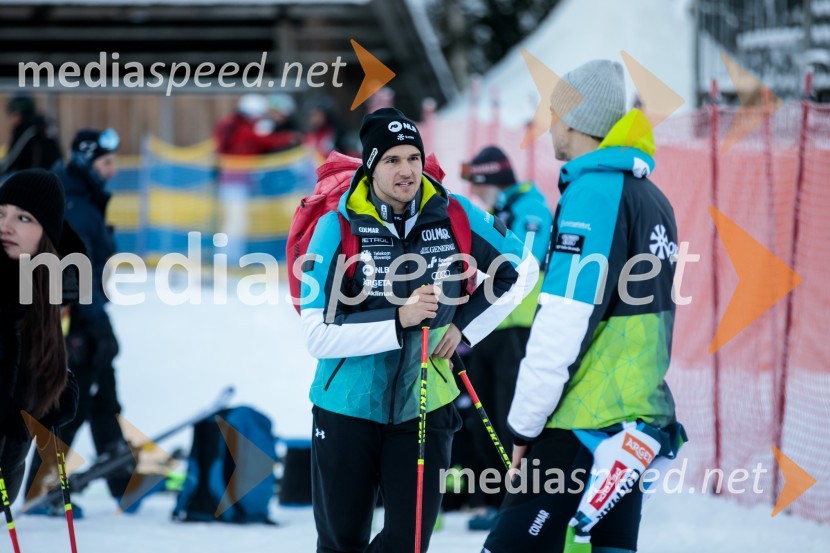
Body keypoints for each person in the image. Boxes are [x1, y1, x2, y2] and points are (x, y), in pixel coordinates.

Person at [299, 108, 538, 552]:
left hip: (427, 403)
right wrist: (397, 320)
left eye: (413, 157)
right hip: (347, 405)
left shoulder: (454, 214)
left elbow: (522, 269)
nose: (406, 170)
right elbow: (316, 334)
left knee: (409, 542)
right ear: (371, 166)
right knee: (341, 541)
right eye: (391, 160)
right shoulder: (338, 227)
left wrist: (464, 330)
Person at [483, 60, 686, 553]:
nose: (549, 123)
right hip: (634, 423)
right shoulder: (653, 197)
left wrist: (523, 425)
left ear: (573, 120)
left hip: (585, 420)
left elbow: (563, 320)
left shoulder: (594, 193)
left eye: (553, 113)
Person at [25, 128, 134, 513]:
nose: (113, 170)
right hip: (73, 322)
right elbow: (74, 274)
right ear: (87, 162)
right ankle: (41, 490)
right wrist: (95, 325)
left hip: (85, 316)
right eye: (107, 163)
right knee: (71, 403)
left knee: (104, 396)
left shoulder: (82, 197)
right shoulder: (75, 205)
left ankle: (126, 482)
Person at [459, 145, 552, 529]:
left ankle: (514, 503)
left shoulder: (530, 209)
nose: (476, 195)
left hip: (517, 329)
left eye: (479, 187)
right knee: (484, 417)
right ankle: (494, 499)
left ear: (494, 181)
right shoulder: (501, 208)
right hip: (488, 329)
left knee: (507, 417)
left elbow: (522, 269)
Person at [0, 169, 80, 506]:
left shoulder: (42, 288)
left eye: (22, 217)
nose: (6, 225)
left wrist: (52, 390)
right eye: (0, 213)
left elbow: (30, 359)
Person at [0, 95, 62, 176]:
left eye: (12, 113)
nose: (10, 119)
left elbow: (10, 162)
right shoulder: (40, 126)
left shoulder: (27, 131)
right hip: (50, 178)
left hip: (34, 179)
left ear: (18, 114)